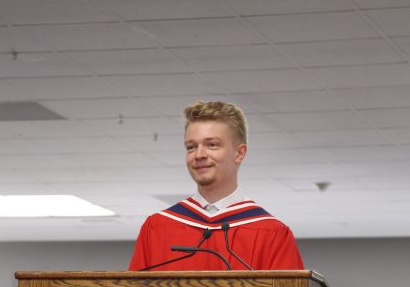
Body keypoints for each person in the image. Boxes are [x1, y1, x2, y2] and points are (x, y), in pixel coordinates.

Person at [129, 101, 304, 271]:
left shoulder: (272, 233)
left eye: (212, 145)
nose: (199, 155)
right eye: (191, 147)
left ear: (239, 153)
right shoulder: (157, 228)